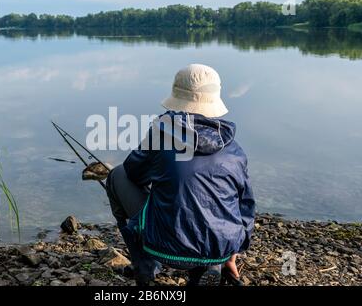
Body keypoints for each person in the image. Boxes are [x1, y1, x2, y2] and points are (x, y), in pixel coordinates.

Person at [106, 64, 255, 286]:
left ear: (177, 99)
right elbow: (245, 207)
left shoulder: (161, 136)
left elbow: (133, 172)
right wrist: (231, 254)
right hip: (221, 249)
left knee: (117, 175)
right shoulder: (235, 150)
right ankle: (208, 267)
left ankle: (145, 265)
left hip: (167, 247)